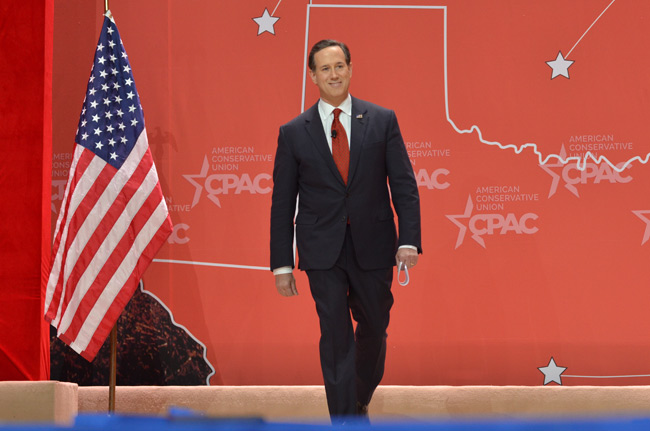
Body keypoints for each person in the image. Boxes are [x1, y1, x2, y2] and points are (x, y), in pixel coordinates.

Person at [270, 39, 422, 421]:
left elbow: (403, 184)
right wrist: (281, 265)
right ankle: (344, 420)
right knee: (335, 334)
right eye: (325, 68)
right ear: (313, 76)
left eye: (339, 66)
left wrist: (409, 241)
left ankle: (357, 398)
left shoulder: (382, 119)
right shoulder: (293, 133)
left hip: (374, 244)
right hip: (322, 250)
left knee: (374, 327)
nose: (333, 74)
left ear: (351, 69)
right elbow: (282, 202)